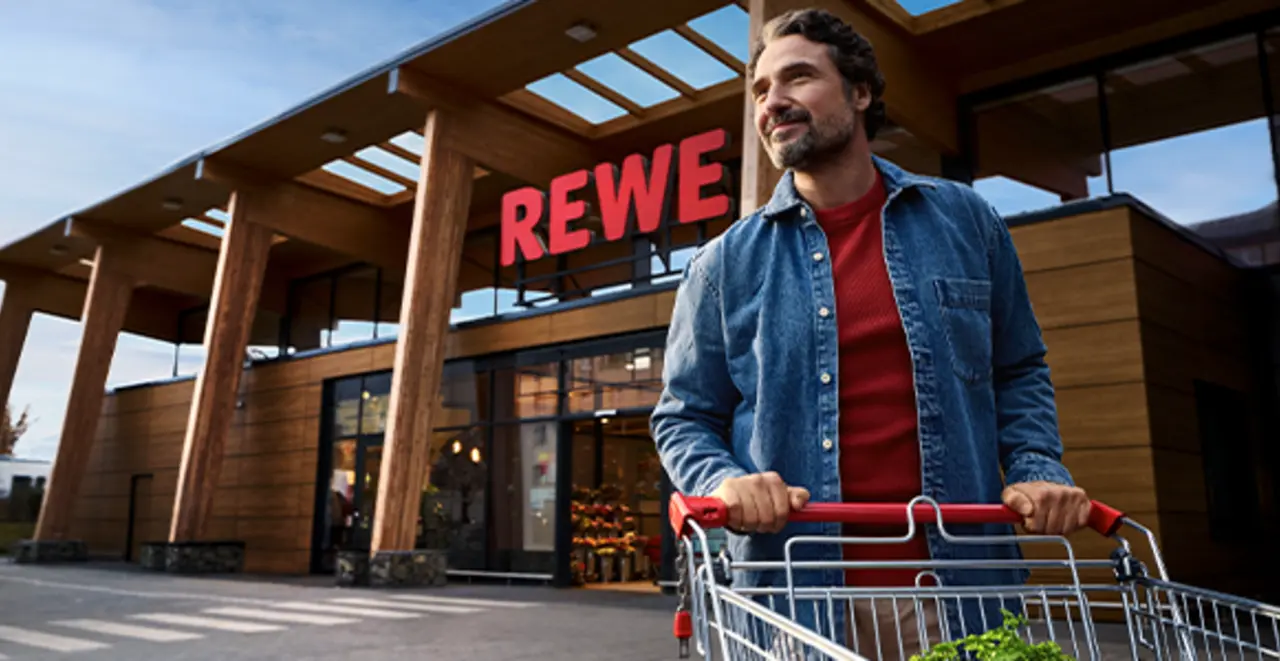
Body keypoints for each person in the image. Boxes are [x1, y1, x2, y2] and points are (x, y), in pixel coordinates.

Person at [650, 7, 1093, 656]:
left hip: (961, 592)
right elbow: (684, 415)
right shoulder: (723, 266)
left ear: (861, 93)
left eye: (798, 78)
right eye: (761, 90)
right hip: (795, 603)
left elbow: (1018, 367)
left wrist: (1035, 467)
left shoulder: (966, 221)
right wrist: (722, 479)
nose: (774, 102)